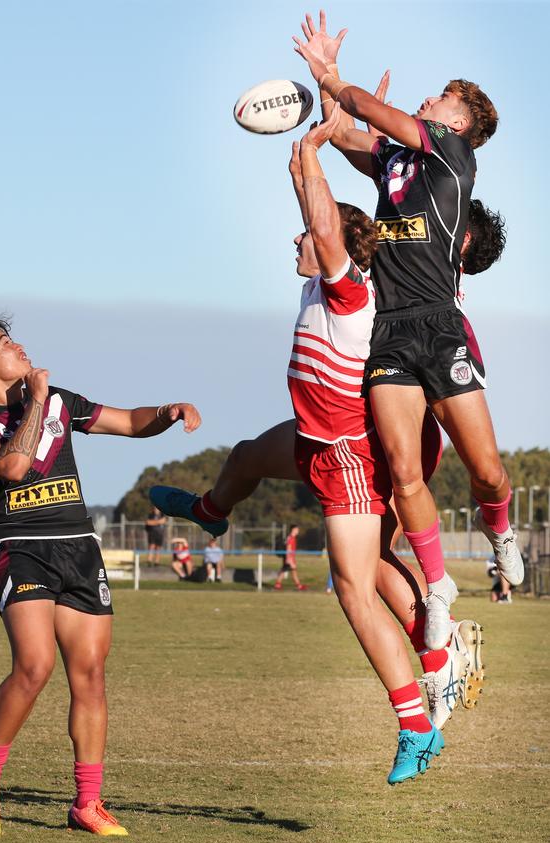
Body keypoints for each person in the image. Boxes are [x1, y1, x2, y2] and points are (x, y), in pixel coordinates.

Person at [154, 111, 451, 784]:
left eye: (309, 235)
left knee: (353, 586)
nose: (296, 239)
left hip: (346, 451)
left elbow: (324, 225)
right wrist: (314, 150)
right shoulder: (322, 281)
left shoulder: (349, 294)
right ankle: (209, 510)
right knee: (247, 455)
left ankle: (415, 719)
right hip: (315, 437)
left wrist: (311, 157)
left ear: (336, 245)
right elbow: (326, 222)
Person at [292, 11, 522, 651]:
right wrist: (332, 121)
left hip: (440, 328)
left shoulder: (451, 154)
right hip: (389, 333)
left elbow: (366, 107)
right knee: (401, 470)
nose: (428, 98)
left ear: (456, 120)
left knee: (487, 472)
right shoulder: (400, 164)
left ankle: (499, 531)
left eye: (440, 97)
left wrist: (334, 78)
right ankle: (440, 587)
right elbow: (352, 137)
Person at [0, 314, 200, 836]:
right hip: (23, 550)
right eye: (5, 344)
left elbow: (129, 422)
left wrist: (168, 411)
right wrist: (36, 401)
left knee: (90, 677)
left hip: (80, 549)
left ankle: (87, 803)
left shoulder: (60, 399)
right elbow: (13, 468)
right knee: (34, 668)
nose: (20, 348)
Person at [274, 525, 306, 590]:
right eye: (297, 529)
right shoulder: (291, 538)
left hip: (289, 558)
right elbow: (288, 548)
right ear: (293, 529)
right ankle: (299, 586)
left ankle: (278, 584)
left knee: (284, 570)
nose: (298, 531)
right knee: (293, 571)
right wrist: (289, 560)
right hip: (289, 558)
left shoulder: (291, 537)